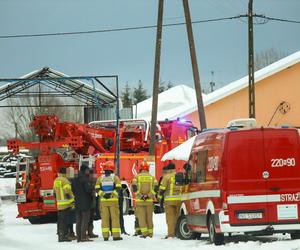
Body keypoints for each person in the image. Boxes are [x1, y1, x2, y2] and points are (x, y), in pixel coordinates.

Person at [95, 160, 123, 241]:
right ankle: (116, 236)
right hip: (113, 201)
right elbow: (118, 188)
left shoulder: (100, 178)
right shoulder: (115, 178)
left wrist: (103, 194)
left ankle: (105, 236)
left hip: (103, 201)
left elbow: (97, 189)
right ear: (112, 169)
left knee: (105, 218)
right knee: (114, 218)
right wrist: (111, 194)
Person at [131, 161, 158, 238]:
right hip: (149, 202)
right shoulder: (152, 178)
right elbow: (156, 188)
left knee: (141, 218)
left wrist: (141, 196)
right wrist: (149, 196)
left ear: (140, 168)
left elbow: (134, 188)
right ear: (148, 169)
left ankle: (145, 234)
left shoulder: (136, 177)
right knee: (149, 218)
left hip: (140, 202)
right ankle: (150, 234)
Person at [158, 162, 182, 239]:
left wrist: (159, 197)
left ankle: (171, 234)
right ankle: (178, 233)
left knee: (170, 218)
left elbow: (162, 189)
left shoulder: (166, 177)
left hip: (169, 201)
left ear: (168, 169)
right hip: (179, 200)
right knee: (178, 217)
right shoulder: (180, 176)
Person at [71, 163, 93, 242]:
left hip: (77, 202)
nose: (88, 171)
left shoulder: (74, 179)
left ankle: (79, 237)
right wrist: (91, 187)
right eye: (87, 170)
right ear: (85, 170)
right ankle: (83, 237)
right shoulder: (85, 179)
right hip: (85, 202)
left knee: (78, 220)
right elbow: (88, 190)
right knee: (85, 220)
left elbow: (72, 190)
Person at [53, 167, 74, 242]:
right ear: (65, 173)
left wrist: (58, 201)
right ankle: (64, 236)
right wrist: (72, 201)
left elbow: (54, 193)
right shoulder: (65, 180)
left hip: (59, 204)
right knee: (65, 221)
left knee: (60, 221)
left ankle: (60, 235)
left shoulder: (56, 180)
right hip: (66, 204)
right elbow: (67, 192)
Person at [88, 168, 98, 238]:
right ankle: (89, 232)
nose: (94, 176)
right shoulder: (89, 182)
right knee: (89, 219)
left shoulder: (93, 182)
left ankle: (90, 232)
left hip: (92, 203)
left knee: (90, 219)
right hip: (89, 204)